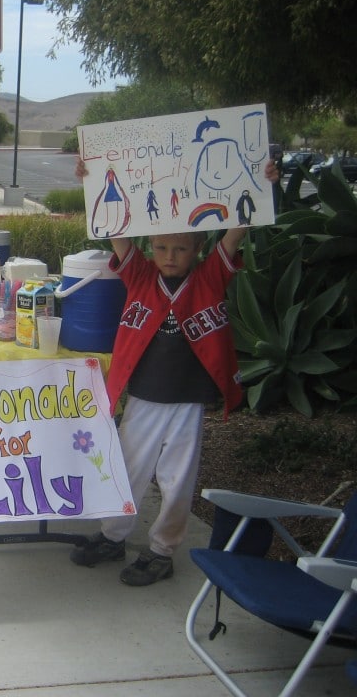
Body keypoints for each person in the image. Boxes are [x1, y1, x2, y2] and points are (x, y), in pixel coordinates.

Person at [67, 159, 275, 586]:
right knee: (126, 468)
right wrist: (92, 184)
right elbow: (116, 232)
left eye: (180, 248)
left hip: (187, 400)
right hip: (143, 395)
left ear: (197, 249)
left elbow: (236, 230)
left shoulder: (210, 277)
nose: (169, 256)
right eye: (161, 247)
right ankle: (113, 535)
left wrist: (260, 182)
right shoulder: (141, 275)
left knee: (177, 480)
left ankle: (162, 551)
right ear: (150, 249)